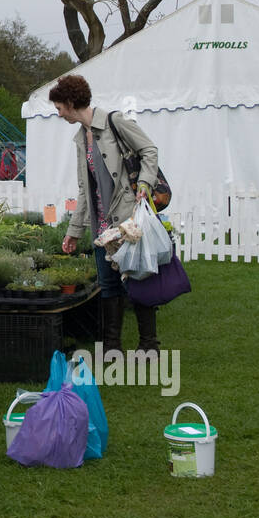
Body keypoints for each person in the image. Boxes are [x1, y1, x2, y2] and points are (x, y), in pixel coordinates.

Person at [50, 74, 163, 355]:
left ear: (70, 102)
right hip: (102, 229)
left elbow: (149, 149)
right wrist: (74, 231)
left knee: (138, 284)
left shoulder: (115, 122)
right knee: (109, 288)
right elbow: (84, 189)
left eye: (59, 107)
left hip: (128, 221)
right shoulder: (80, 139)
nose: (59, 113)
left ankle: (149, 346)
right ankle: (113, 348)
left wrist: (145, 183)